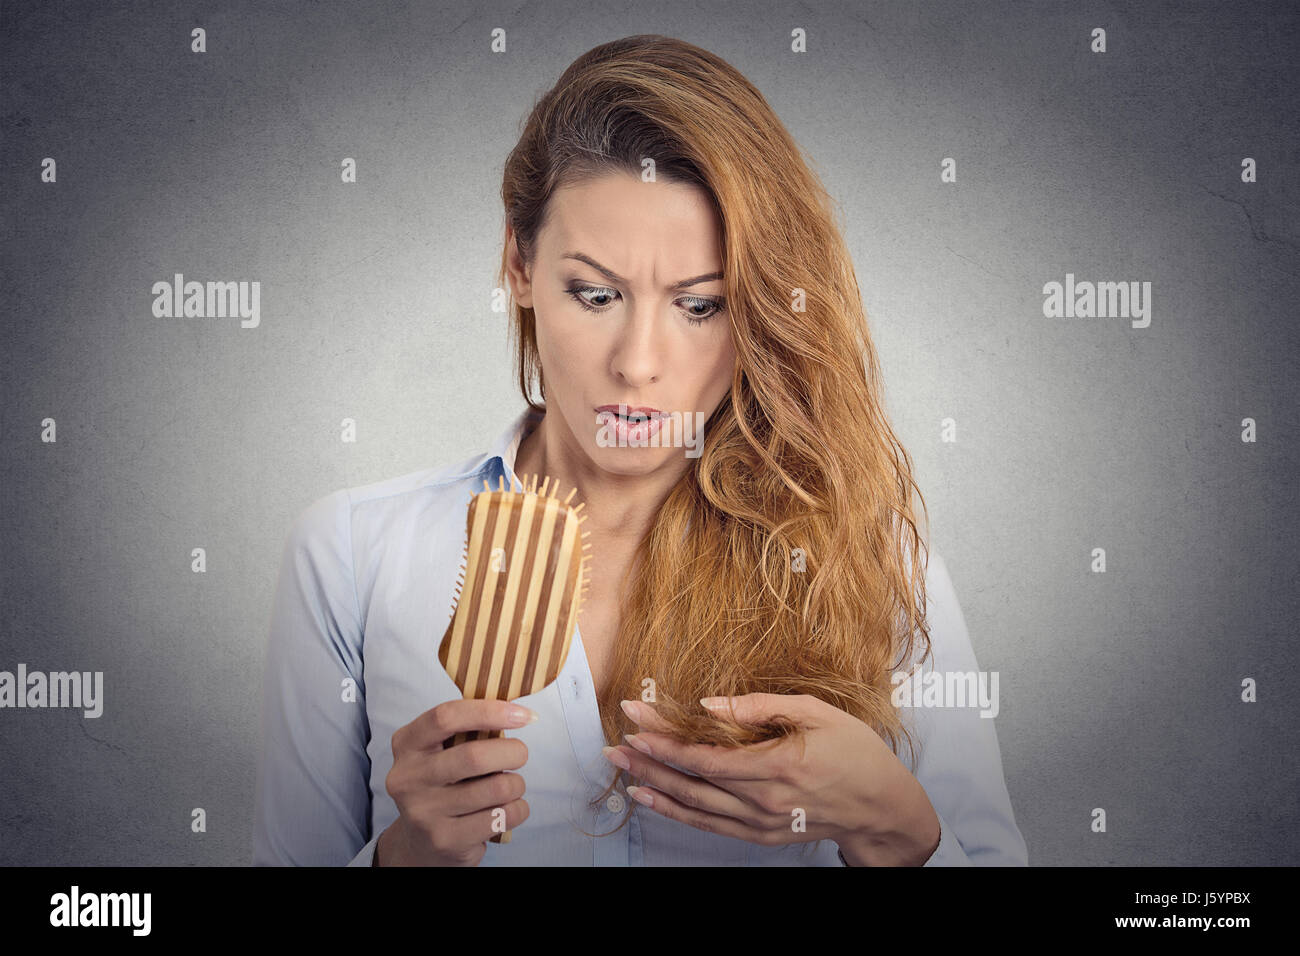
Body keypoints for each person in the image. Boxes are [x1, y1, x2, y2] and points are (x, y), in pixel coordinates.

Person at [253, 34, 1028, 867]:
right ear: (517, 264)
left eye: (700, 306)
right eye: (596, 294)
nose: (637, 363)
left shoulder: (866, 559)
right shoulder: (349, 557)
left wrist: (894, 828)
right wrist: (402, 856)